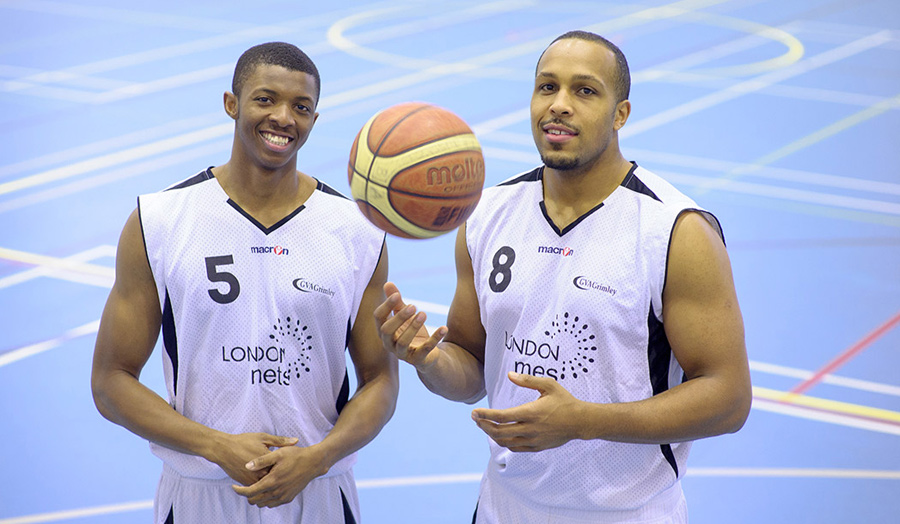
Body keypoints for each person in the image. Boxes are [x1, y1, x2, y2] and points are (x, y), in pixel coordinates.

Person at [375, 30, 752, 523]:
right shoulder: (487, 215)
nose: (559, 105)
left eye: (585, 90)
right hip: (502, 509)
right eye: (547, 87)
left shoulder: (675, 231)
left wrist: (584, 422)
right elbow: (470, 371)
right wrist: (428, 359)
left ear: (622, 114)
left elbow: (728, 397)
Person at [91, 42, 398, 524]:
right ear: (231, 104)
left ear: (315, 120)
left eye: (301, 107)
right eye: (265, 99)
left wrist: (317, 457)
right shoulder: (161, 220)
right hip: (199, 497)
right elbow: (111, 382)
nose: (283, 118)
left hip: (317, 491)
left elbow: (380, 381)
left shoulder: (357, 228)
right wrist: (216, 446)